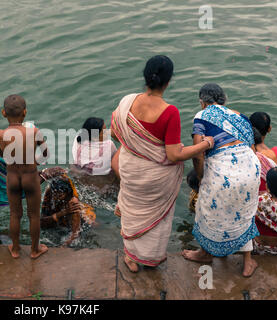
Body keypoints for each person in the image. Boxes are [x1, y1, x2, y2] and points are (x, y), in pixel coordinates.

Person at [110, 55, 214, 272]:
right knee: (155, 220)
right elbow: (175, 154)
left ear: (145, 76)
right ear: (169, 81)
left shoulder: (127, 101)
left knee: (132, 212)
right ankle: (151, 257)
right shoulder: (170, 112)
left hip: (130, 169)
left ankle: (130, 256)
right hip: (155, 179)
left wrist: (137, 147)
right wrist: (205, 144)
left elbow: (114, 131)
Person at [182, 83, 260, 277]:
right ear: (224, 99)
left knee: (207, 210)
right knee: (243, 212)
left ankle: (205, 253)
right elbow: (251, 146)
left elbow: (198, 153)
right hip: (251, 169)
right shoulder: (240, 116)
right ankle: (248, 262)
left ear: (202, 102)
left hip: (224, 171)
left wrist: (201, 177)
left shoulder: (203, 115)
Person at [0, 94, 49, 259]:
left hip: (12, 177)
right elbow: (46, 154)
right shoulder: (33, 131)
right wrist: (36, 162)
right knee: (33, 215)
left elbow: (2, 155)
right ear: (25, 112)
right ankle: (34, 250)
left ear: (4, 113)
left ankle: (16, 249)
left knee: (14, 214)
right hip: (30, 176)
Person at [40, 174, 96, 246]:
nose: (56, 198)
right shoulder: (49, 192)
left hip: (84, 215)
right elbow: (41, 223)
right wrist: (63, 213)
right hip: (63, 212)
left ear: (67, 193)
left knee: (89, 224)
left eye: (60, 195)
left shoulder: (73, 201)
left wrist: (66, 244)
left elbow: (75, 234)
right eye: (54, 194)